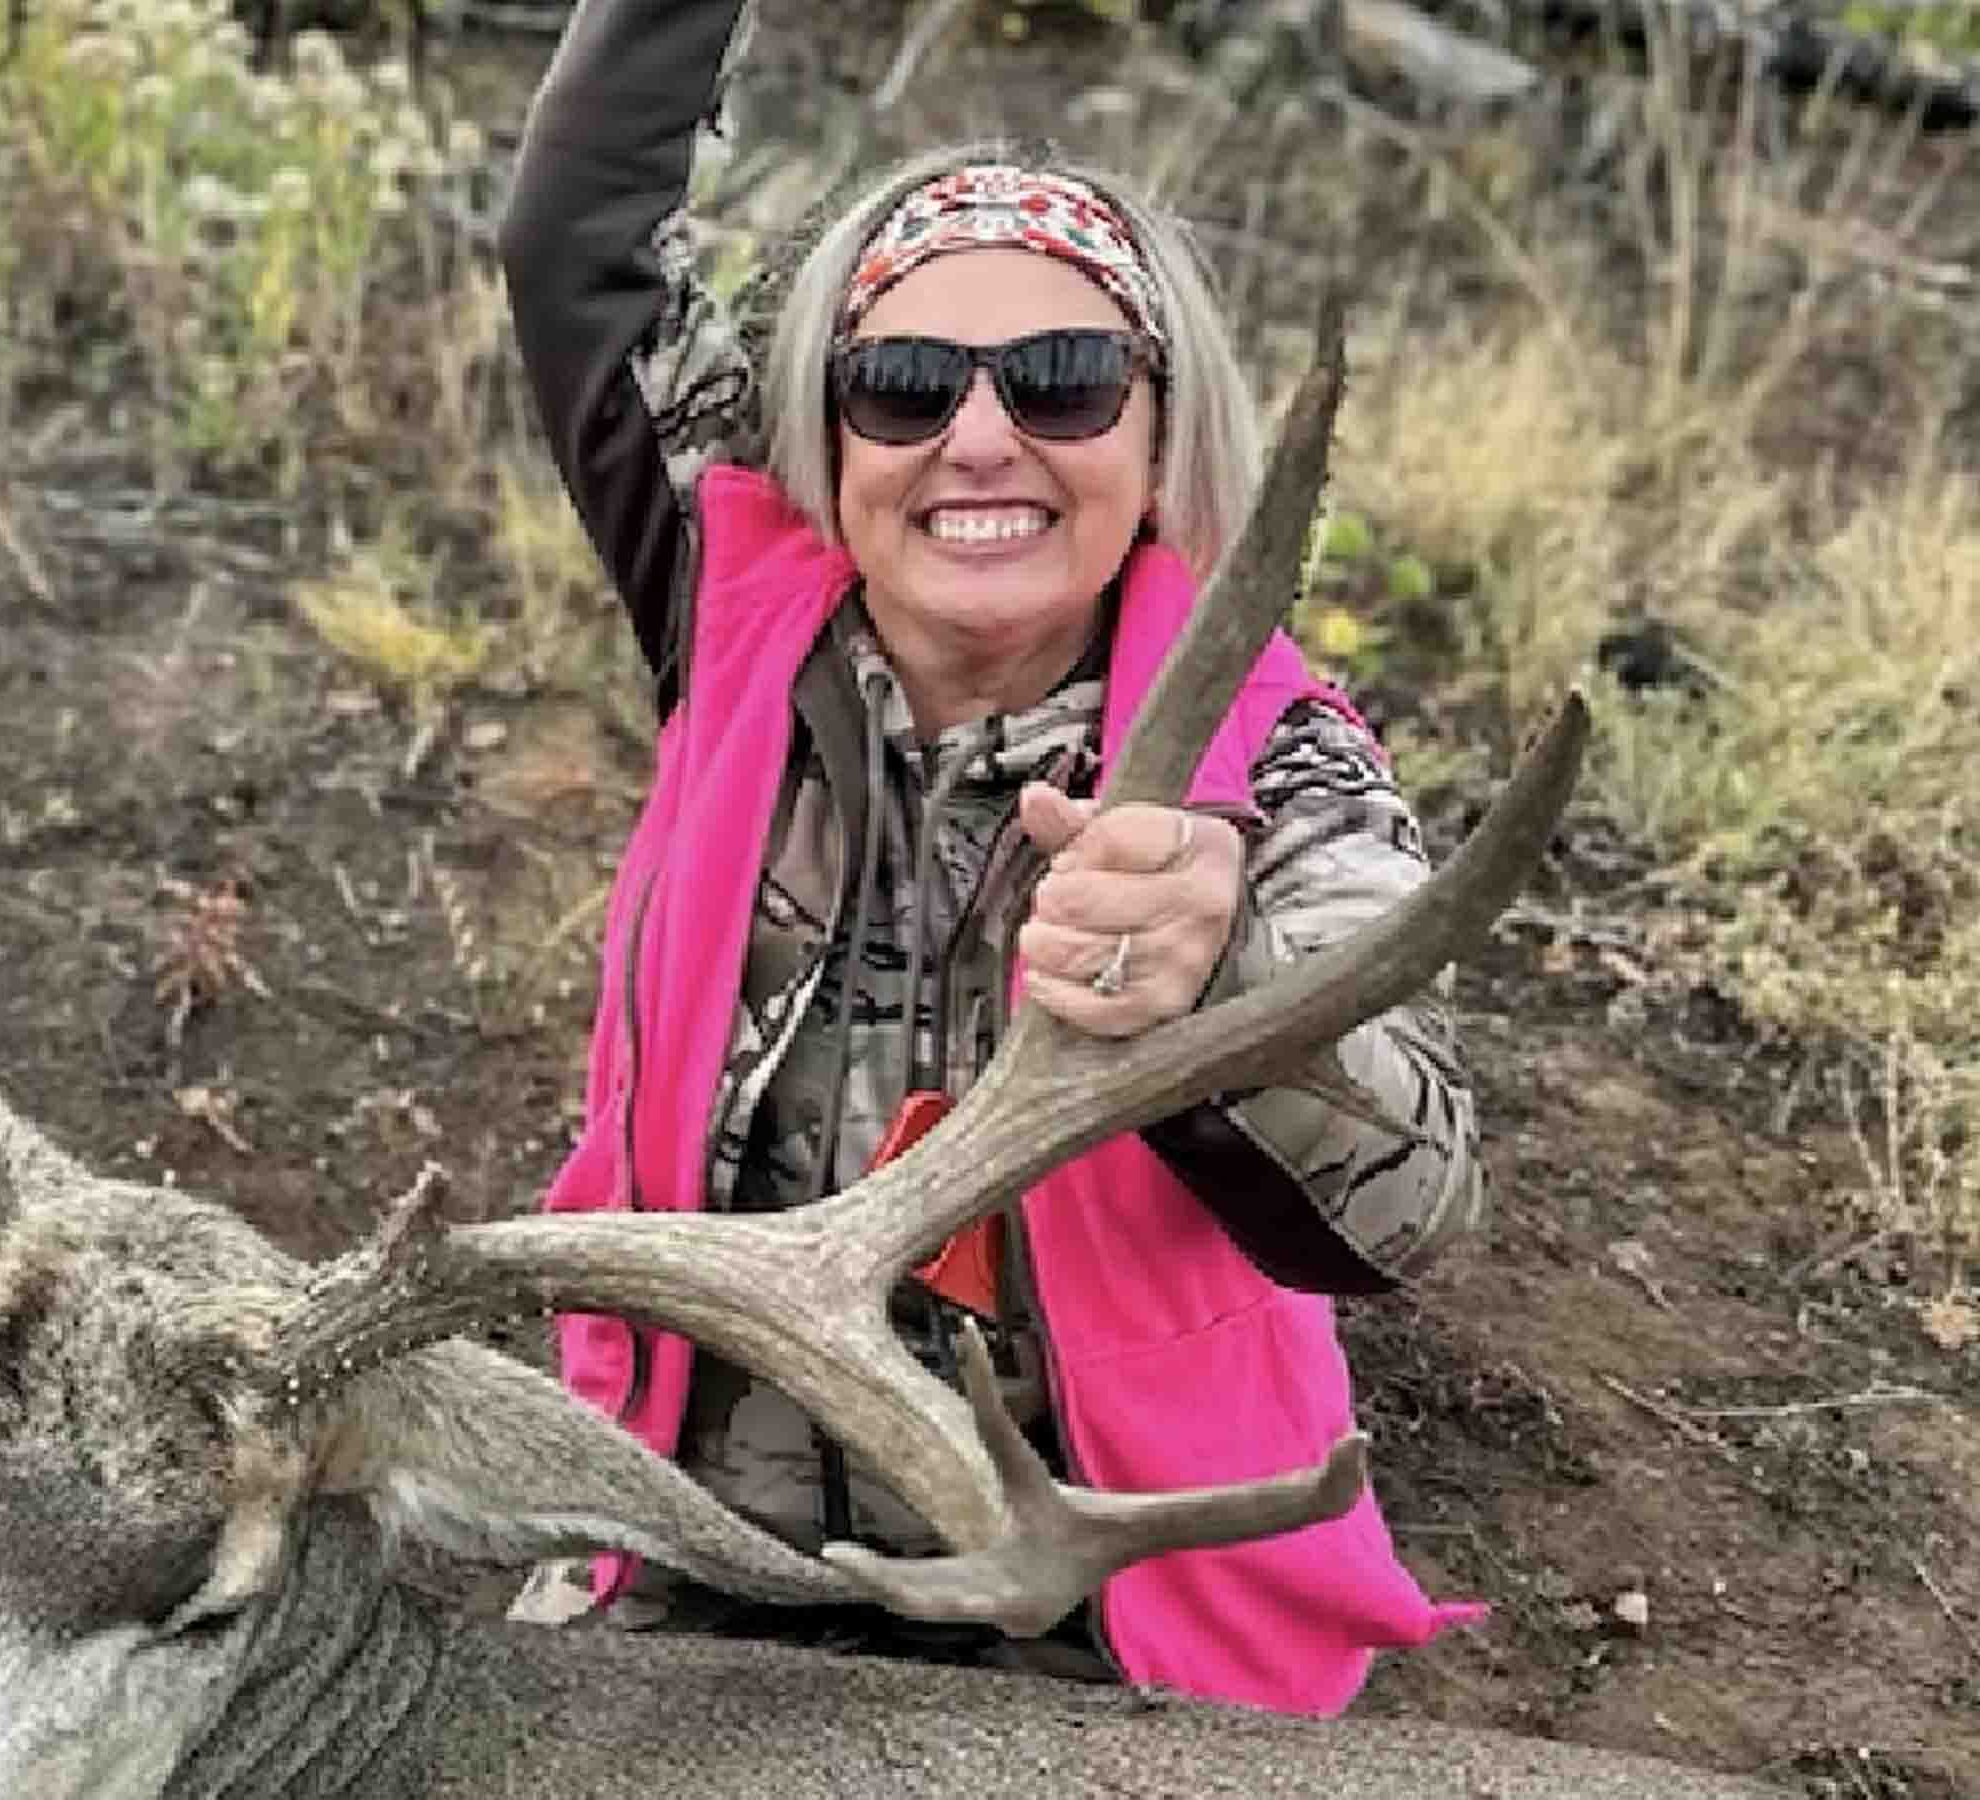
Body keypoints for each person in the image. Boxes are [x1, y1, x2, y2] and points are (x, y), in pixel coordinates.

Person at [494, 0, 1487, 1718]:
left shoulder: (1283, 762)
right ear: (829, 437)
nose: (976, 437)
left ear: (1161, 432)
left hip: (1103, 1623)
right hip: (688, 1543)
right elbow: (574, 237)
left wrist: (1230, 989)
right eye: (899, 383)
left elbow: (1423, 1210)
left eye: (1063, 380)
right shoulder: (730, 619)